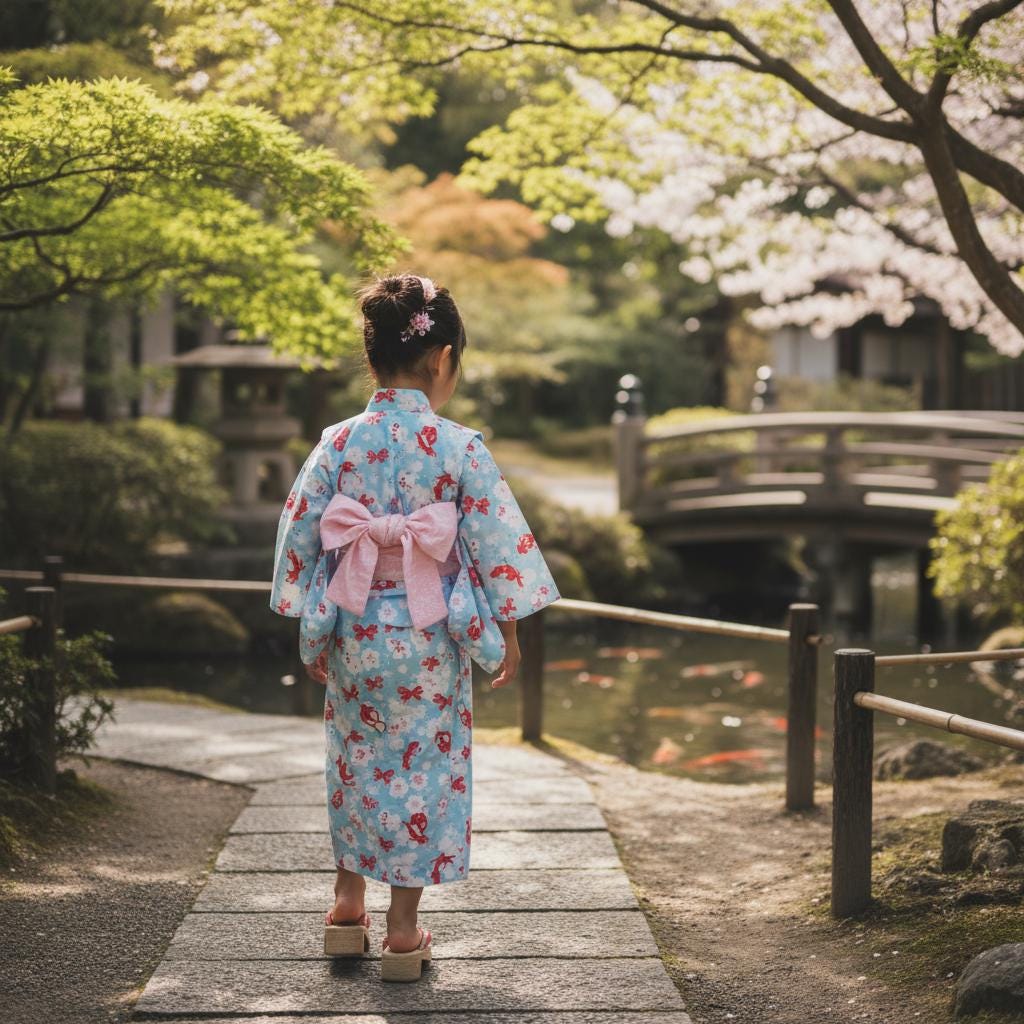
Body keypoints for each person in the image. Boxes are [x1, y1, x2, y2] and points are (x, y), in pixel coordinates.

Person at [268, 272, 560, 981]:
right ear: (442, 360)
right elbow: (498, 543)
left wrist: (310, 624)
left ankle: (345, 906)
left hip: (354, 627)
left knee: (354, 761)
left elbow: (300, 537)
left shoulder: (338, 442)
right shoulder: (459, 447)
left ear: (374, 358)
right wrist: (510, 630)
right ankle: (402, 933)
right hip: (435, 634)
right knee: (425, 772)